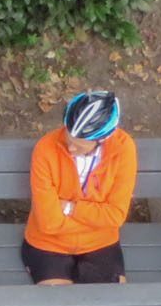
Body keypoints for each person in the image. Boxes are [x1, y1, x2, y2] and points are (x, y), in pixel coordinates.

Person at [23, 91, 137, 285]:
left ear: (102, 139)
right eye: (68, 140)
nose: (71, 149)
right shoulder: (45, 148)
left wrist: (69, 207)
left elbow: (115, 215)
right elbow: (48, 223)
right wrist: (96, 218)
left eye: (79, 146)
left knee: (108, 300)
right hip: (48, 243)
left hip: (100, 244)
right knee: (57, 300)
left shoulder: (123, 149)